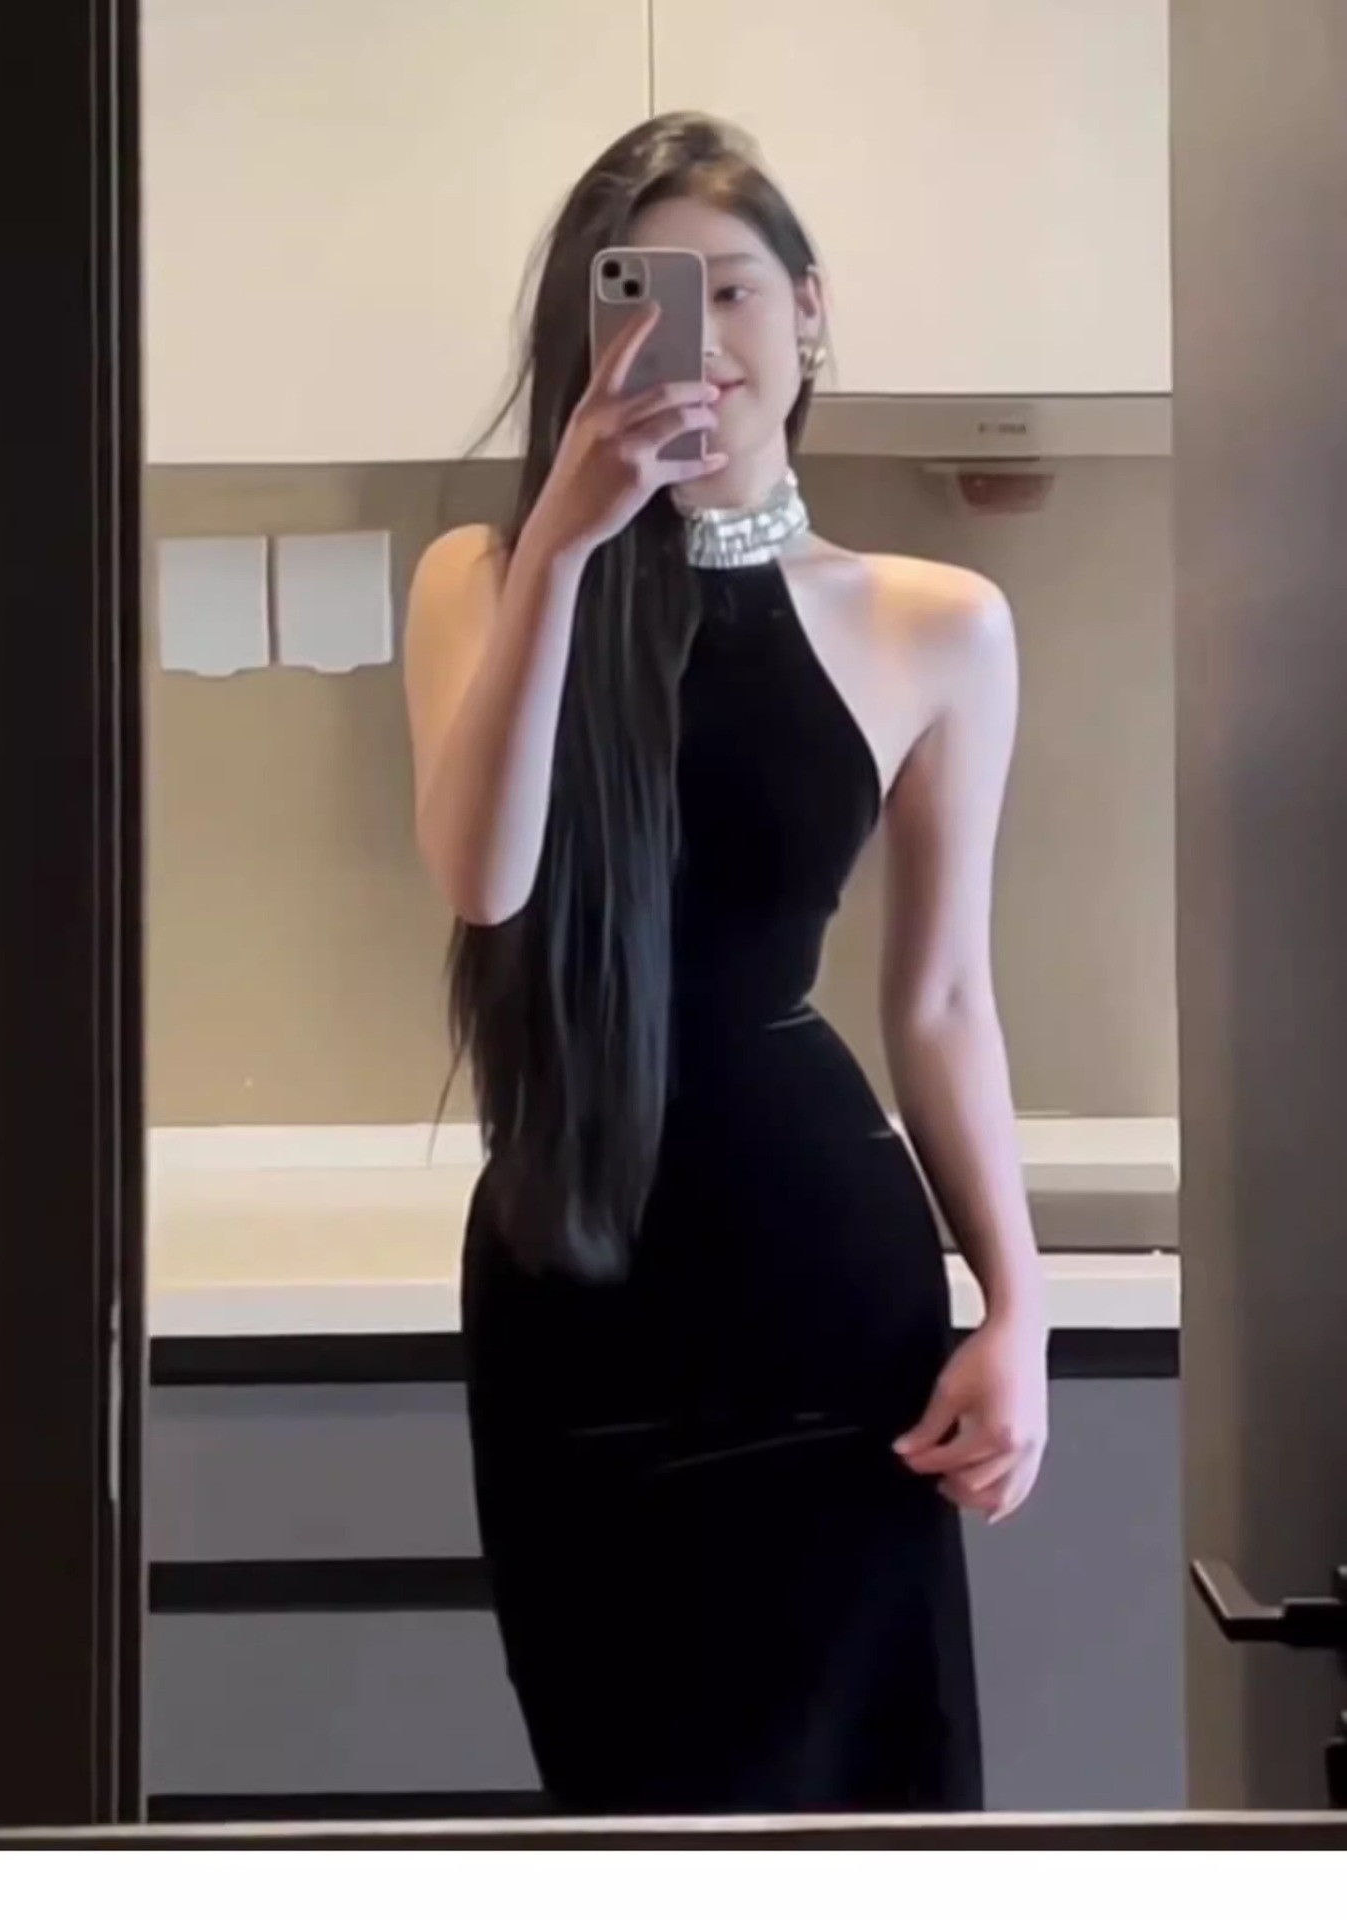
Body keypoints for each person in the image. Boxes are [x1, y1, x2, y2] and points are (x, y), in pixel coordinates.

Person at [403, 112, 1048, 1817]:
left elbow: (942, 1001)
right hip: (571, 1283)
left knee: (866, 1814)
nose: (699, 339)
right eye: (644, 299)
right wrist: (567, 543)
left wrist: (1018, 1307)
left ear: (808, 312)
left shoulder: (934, 623)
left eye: (736, 291)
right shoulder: (486, 579)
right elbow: (483, 880)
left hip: (824, 1295)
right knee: (631, 1813)